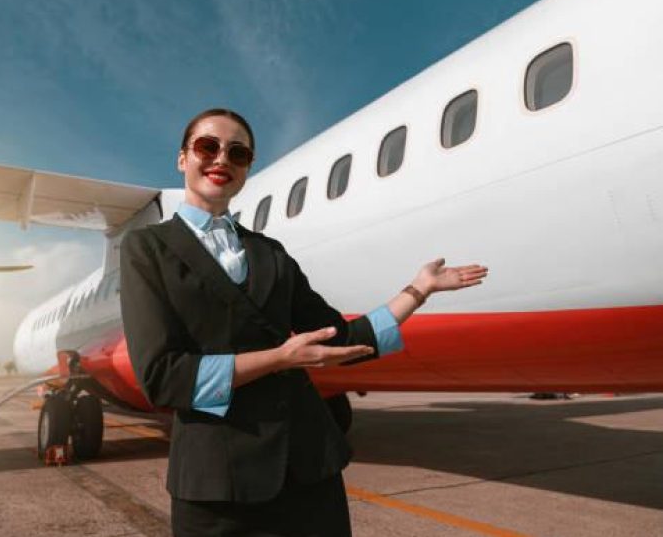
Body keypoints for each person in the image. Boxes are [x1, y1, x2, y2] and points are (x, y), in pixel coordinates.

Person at [120, 108, 488, 536]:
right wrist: (279, 358)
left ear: (247, 169)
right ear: (183, 158)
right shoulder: (147, 248)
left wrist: (418, 291)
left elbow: (343, 338)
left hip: (310, 468)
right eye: (208, 146)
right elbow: (162, 378)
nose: (222, 159)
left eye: (238, 153)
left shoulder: (270, 253)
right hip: (219, 483)